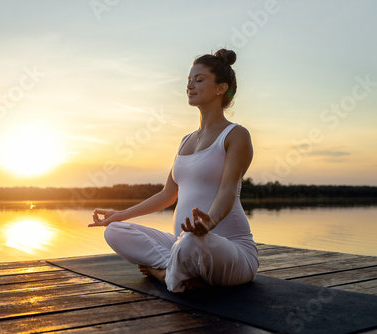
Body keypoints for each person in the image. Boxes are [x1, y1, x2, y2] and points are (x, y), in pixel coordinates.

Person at [88, 49, 259, 293]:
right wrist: (121, 214)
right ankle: (176, 271)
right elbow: (167, 194)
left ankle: (163, 274)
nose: (190, 85)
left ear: (221, 89)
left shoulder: (235, 135)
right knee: (115, 231)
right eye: (188, 81)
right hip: (184, 244)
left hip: (231, 252)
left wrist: (211, 222)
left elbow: (228, 189)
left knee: (190, 242)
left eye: (199, 80)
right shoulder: (185, 141)